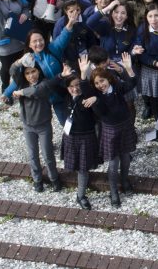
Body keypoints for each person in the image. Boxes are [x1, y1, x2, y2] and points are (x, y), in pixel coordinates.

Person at [79, 54, 138, 208]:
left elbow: (132, 83)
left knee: (125, 158)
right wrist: (83, 73)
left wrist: (128, 68)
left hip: (125, 126)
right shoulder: (95, 96)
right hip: (110, 129)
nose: (100, 85)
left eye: (102, 81)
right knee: (113, 163)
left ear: (108, 79)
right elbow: (85, 89)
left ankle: (124, 181)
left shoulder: (117, 87)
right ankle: (113, 191)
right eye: (96, 83)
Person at [0, 60, 62, 193]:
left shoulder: (44, 84)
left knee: (48, 154)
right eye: (27, 73)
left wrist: (21, 92)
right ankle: (37, 179)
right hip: (28, 126)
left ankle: (54, 178)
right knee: (33, 155)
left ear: (39, 71)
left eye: (33, 71)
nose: (31, 75)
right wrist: (8, 99)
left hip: (44, 126)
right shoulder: (21, 85)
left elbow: (35, 91)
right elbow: (12, 71)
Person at [59, 70, 99, 209]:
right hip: (70, 135)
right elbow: (50, 86)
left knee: (83, 168)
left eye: (78, 85)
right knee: (77, 166)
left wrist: (83, 77)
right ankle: (82, 187)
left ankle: (80, 195)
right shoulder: (65, 96)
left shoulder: (88, 97)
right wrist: (61, 75)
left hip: (86, 136)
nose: (75, 89)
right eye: (71, 86)